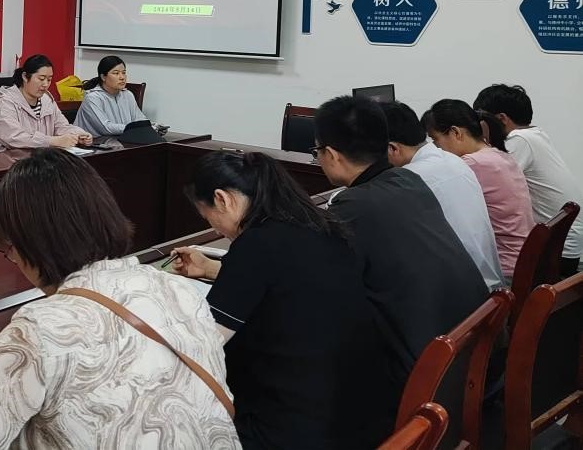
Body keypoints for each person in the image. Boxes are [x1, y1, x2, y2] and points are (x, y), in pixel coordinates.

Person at [0, 149, 239, 449]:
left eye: (11, 249)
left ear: (29, 244)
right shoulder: (178, 289)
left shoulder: (40, 327)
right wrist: (15, 355)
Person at [173, 151, 392, 449]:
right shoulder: (321, 227)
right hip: (362, 416)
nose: (214, 228)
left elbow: (205, 343)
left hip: (294, 431)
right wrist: (212, 269)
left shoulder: (255, 245)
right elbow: (284, 282)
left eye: (206, 215)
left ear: (222, 199)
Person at [315, 96, 488, 390]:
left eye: (316, 152)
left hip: (429, 377)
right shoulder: (409, 182)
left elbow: (320, 287)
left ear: (331, 154)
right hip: (473, 350)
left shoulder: (352, 207)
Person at [381, 101, 504, 290]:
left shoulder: (409, 178)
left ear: (392, 149)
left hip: (469, 295)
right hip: (490, 288)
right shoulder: (453, 160)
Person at [475, 83, 583, 276]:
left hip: (556, 252)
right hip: (566, 243)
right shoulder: (536, 134)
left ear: (501, 119)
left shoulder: (519, 140)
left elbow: (491, 178)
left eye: (481, 120)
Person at [421, 99, 535, 280]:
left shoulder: (471, 164)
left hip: (505, 268)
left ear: (455, 133)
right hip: (524, 260)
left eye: (435, 140)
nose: (436, 148)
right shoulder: (498, 154)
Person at [0, 55, 91, 154]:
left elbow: (61, 126)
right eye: (41, 79)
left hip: (33, 159)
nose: (45, 84)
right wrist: (52, 141)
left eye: (49, 80)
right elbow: (14, 138)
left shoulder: (47, 100)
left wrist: (79, 134)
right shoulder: (5, 103)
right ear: (25, 76)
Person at [74, 55, 147, 137]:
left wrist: (149, 126)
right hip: (94, 142)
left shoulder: (128, 95)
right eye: (116, 73)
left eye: (123, 73)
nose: (122, 77)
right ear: (103, 77)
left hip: (121, 139)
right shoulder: (93, 98)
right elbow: (105, 128)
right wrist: (132, 128)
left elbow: (139, 118)